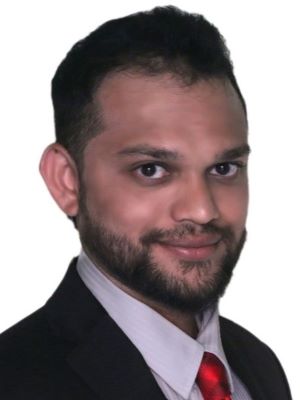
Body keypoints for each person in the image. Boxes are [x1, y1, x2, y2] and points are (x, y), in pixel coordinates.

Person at [0, 6, 292, 400]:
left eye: (224, 167)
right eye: (151, 170)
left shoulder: (258, 365)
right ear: (67, 181)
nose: (202, 210)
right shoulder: (12, 380)